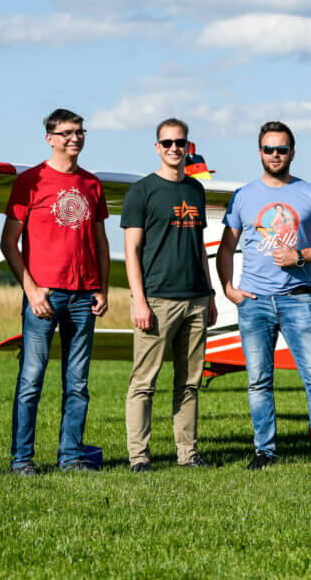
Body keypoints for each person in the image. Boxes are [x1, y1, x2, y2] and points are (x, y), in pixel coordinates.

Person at [216, 121, 311, 470]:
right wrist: (229, 288)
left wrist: (301, 255)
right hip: (255, 302)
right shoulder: (244, 195)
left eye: (282, 149)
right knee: (259, 380)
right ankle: (265, 451)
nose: (276, 155)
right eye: (269, 149)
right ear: (260, 152)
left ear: (292, 152)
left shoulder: (308, 193)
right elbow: (227, 247)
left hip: (299, 298)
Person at [1, 108, 110, 474]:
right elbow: (8, 243)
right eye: (66, 133)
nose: (74, 138)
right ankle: (21, 461)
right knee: (31, 380)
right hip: (44, 296)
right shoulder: (30, 181)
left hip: (83, 296)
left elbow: (100, 242)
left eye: (79, 132)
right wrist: (31, 291)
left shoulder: (92, 185)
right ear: (50, 138)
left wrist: (101, 288)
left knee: (78, 384)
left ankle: (71, 457)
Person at [120, 118, 217, 472]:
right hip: (157, 299)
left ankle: (188, 454)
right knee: (144, 382)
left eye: (181, 143)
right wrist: (140, 301)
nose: (175, 148)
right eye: (167, 143)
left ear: (187, 147)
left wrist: (210, 295)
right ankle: (139, 457)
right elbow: (131, 251)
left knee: (190, 383)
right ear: (157, 147)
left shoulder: (195, 190)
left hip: (195, 298)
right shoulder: (141, 191)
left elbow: (200, 248)